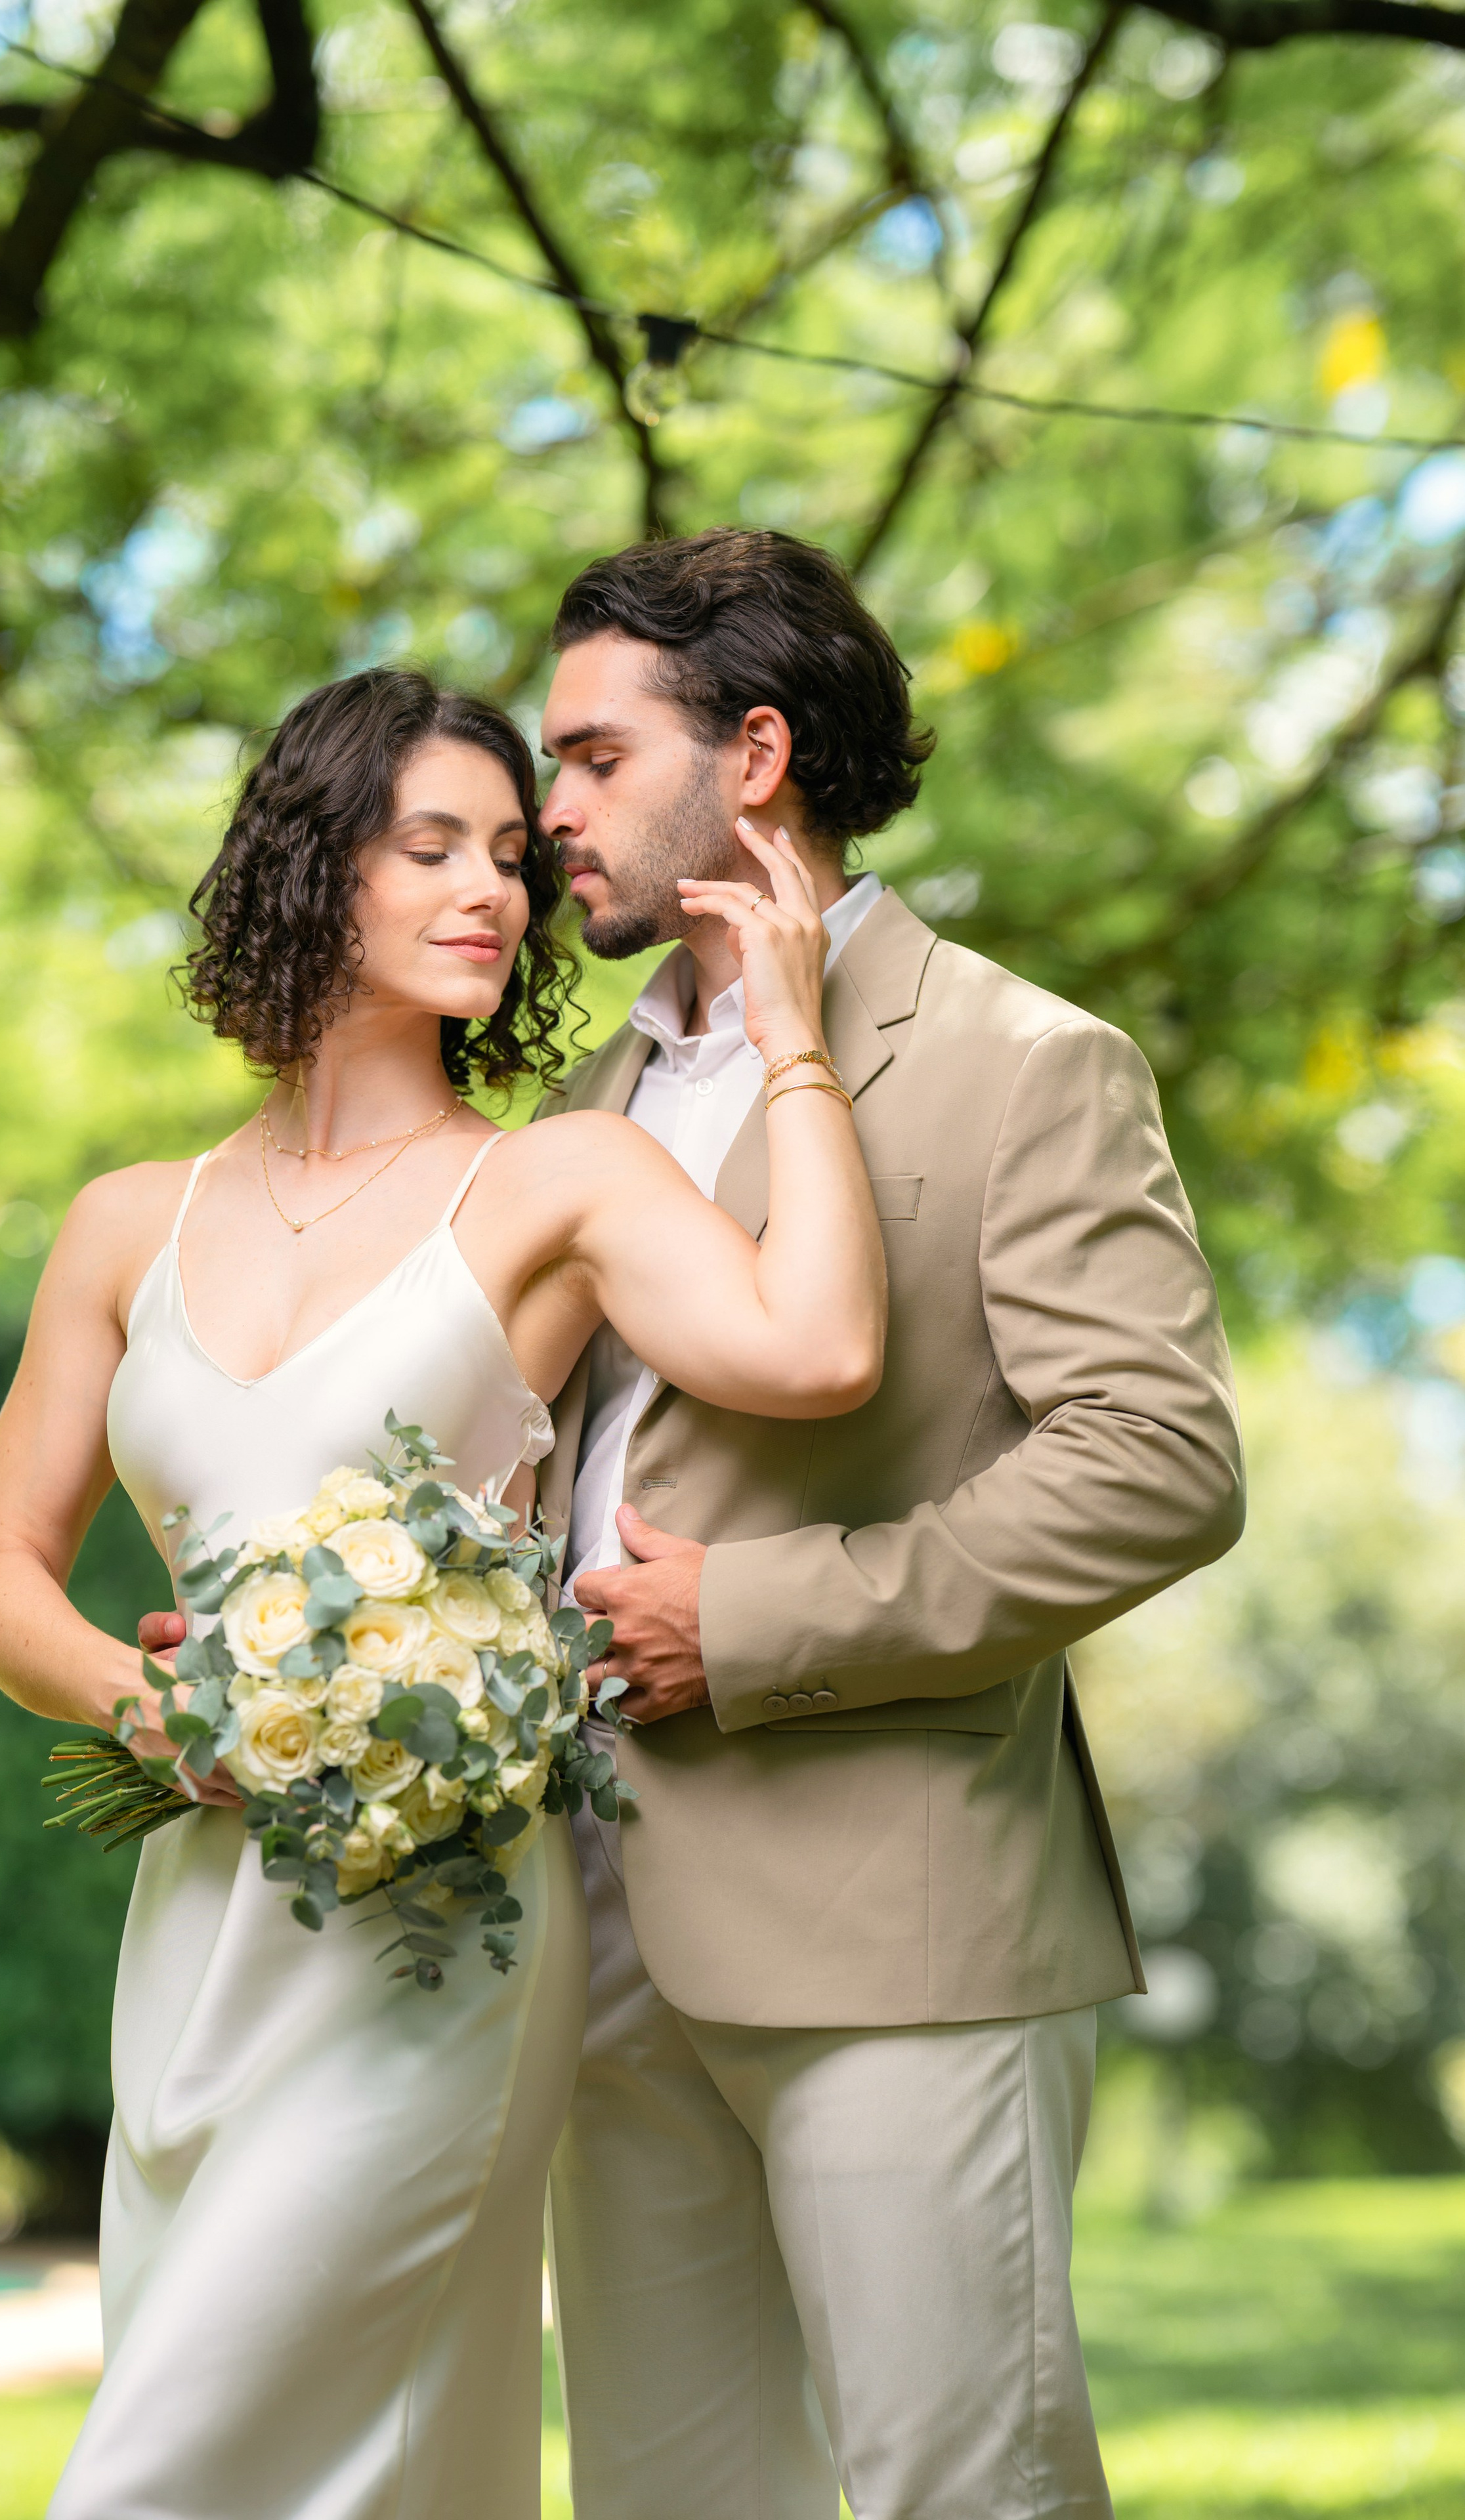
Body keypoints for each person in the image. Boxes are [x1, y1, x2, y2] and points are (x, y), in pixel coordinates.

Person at [0, 665, 887, 2520]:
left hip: (431, 1929)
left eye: (511, 856)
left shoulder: (562, 1182)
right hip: (203, 1912)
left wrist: (795, 1043)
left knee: (165, 2473)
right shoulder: (126, 1221)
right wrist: (165, 1719)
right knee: (347, 2459)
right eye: (429, 846)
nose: (493, 891)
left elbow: (825, 1345)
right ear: (315, 871)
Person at [532, 529, 1246, 2520]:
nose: (548, 810)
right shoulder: (586, 1094)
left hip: (903, 1921)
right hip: (591, 1933)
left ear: (751, 755)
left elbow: (1157, 1462)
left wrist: (752, 1620)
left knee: (964, 2492)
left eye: (592, 757)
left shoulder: (1030, 1064)